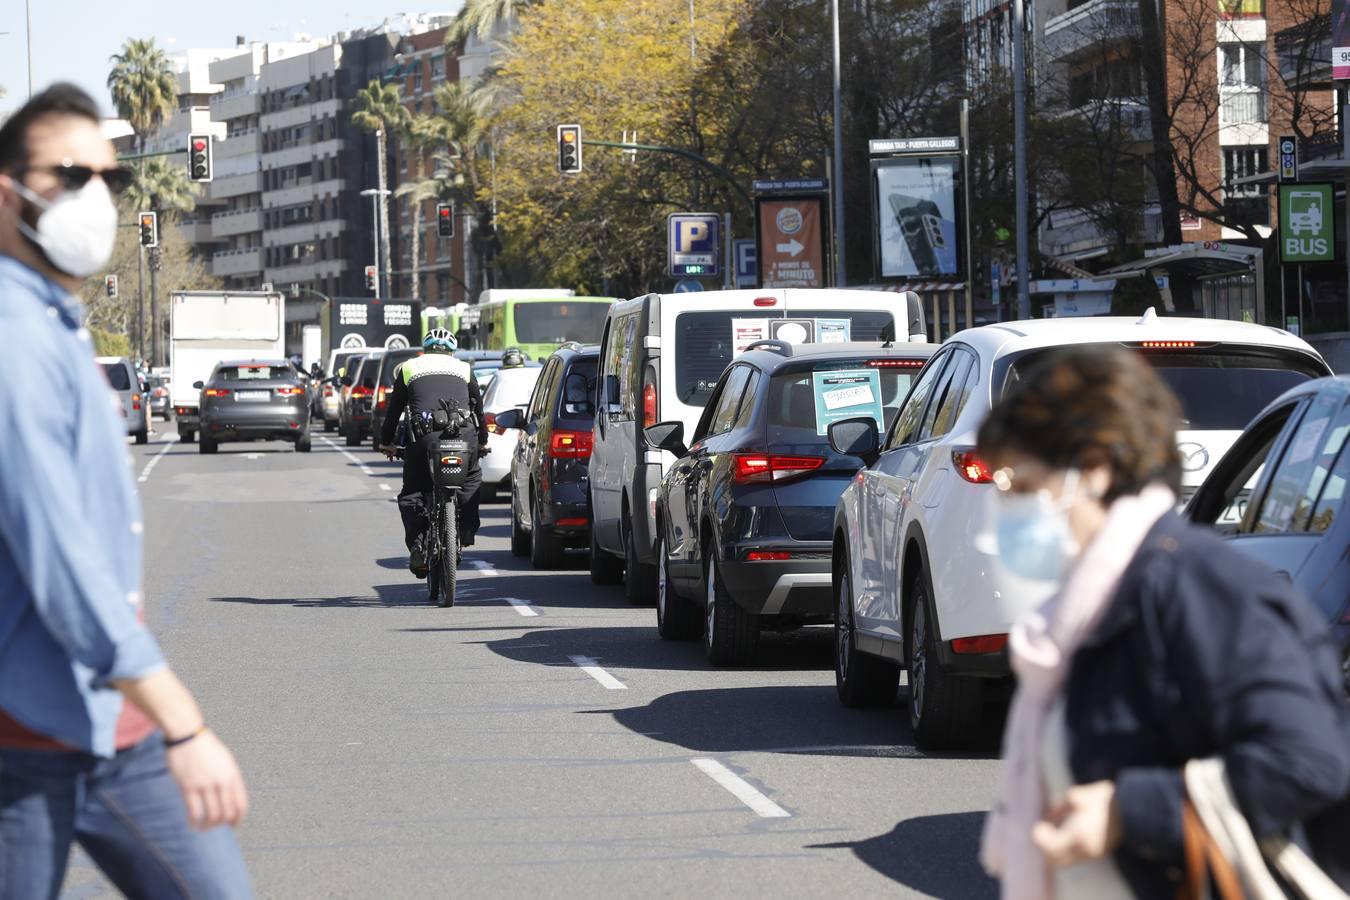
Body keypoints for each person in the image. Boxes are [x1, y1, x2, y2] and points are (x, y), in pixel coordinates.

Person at [975, 345, 1349, 900]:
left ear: (1095, 469)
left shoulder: (1195, 590)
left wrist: (1127, 810)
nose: (1005, 506)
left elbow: (1308, 761)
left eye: (1020, 484)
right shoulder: (1084, 611)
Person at [0, 84, 252, 898]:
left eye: (111, 178)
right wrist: (182, 719)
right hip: (22, 733)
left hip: (104, 717)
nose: (97, 198)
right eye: (71, 175)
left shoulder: (53, 324)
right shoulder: (10, 339)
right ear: (8, 192)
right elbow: (59, 556)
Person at [380, 329, 489, 578]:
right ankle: (465, 531)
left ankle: (418, 545)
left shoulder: (409, 368)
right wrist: (482, 442)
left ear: (425, 349)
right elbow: (479, 412)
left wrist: (386, 442)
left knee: (412, 493)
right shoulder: (464, 368)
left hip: (423, 439)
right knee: (471, 478)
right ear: (451, 350)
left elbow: (394, 411)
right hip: (464, 437)